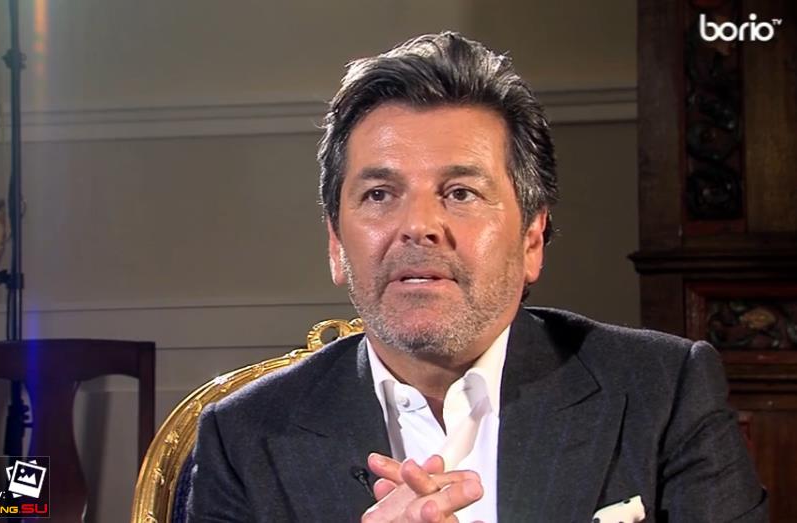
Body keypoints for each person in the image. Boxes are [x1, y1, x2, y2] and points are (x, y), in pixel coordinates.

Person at [187, 32, 767, 522]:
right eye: (380, 194)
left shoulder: (662, 392)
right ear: (337, 244)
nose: (418, 226)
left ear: (532, 238)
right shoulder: (244, 437)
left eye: (461, 193)